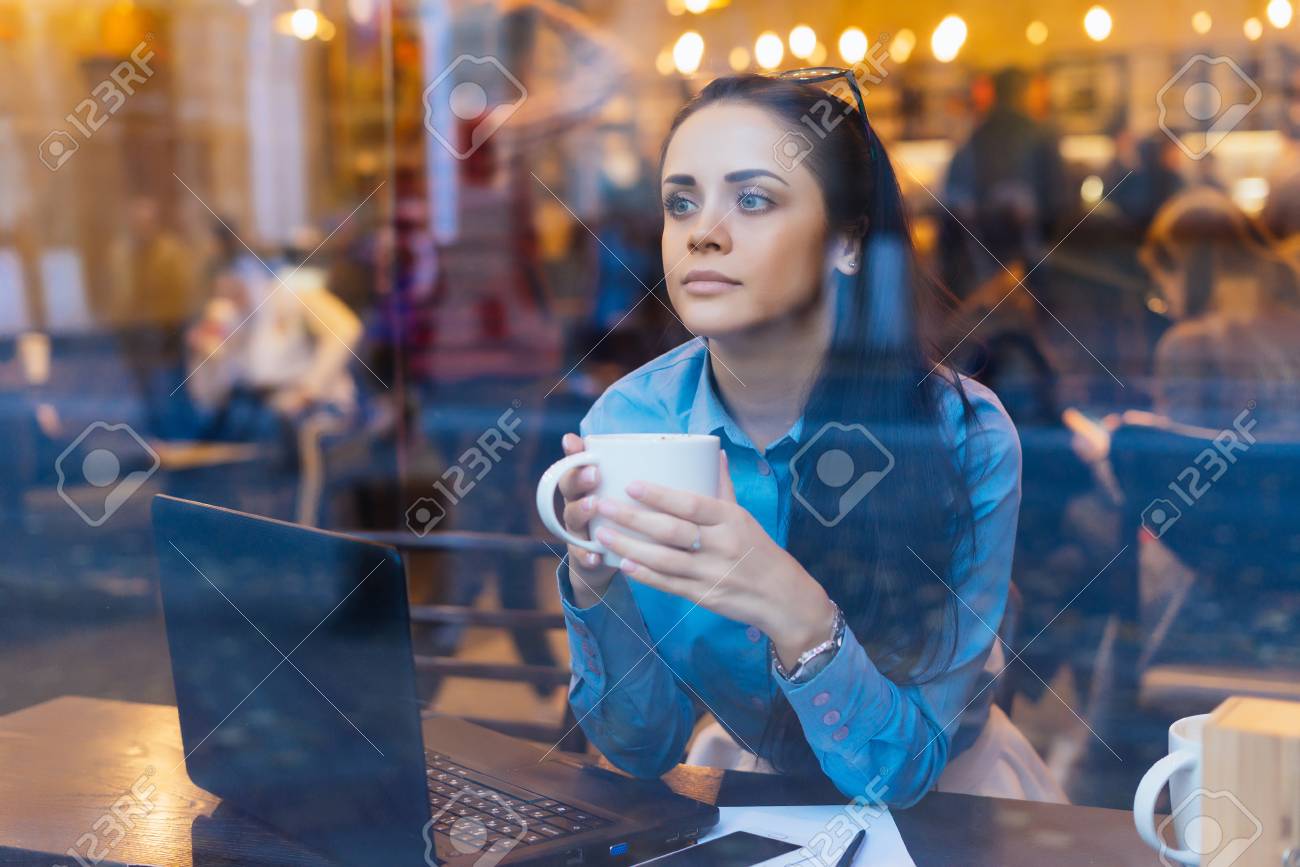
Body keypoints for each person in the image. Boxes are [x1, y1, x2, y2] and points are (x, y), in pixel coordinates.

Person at [549, 74, 1059, 806]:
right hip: (753, 794)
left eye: (752, 199)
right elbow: (639, 747)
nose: (703, 232)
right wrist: (594, 581)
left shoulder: (963, 437)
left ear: (848, 242)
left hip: (955, 806)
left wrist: (789, 604)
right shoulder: (629, 422)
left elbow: (902, 772)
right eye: (680, 202)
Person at [1140, 187, 1300, 434]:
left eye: (1162, 289)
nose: (1167, 304)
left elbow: (1176, 457)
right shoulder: (1291, 326)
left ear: (1183, 272)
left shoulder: (1188, 344)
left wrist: (1107, 454)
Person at [942, 67, 1067, 298]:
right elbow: (1058, 202)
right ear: (1023, 94)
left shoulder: (975, 139)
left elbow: (952, 207)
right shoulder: (1042, 136)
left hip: (984, 266)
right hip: (1033, 266)